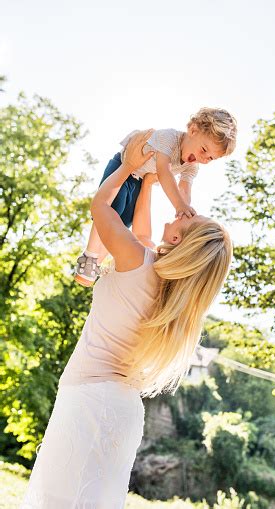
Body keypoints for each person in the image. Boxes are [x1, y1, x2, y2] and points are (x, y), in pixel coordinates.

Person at [20, 131, 233, 509]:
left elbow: (101, 207)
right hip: (124, 410)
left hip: (87, 396)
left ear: (181, 242)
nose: (180, 216)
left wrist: (128, 168)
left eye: (184, 223)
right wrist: (149, 182)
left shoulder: (137, 261)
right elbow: (143, 233)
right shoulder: (177, 298)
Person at [74, 107, 237, 286]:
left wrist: (185, 210)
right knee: (112, 208)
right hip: (123, 165)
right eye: (204, 150)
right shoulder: (169, 139)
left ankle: (95, 264)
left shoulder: (191, 166)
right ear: (193, 131)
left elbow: (185, 190)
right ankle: (89, 255)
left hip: (139, 180)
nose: (204, 158)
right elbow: (164, 172)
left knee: (123, 222)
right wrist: (179, 205)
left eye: (211, 158)